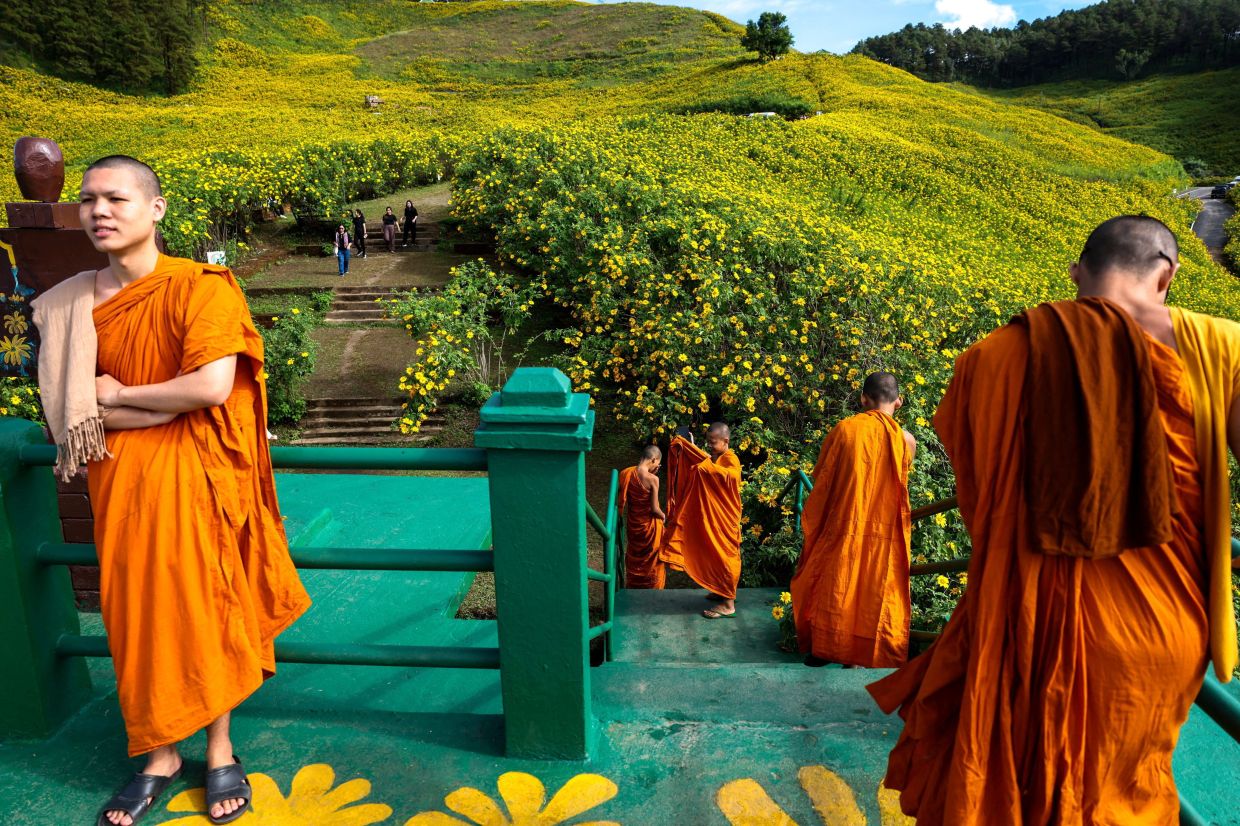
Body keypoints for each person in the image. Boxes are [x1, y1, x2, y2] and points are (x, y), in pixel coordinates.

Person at [868, 215, 1240, 825]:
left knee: (1016, 789)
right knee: (1126, 794)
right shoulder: (1222, 346)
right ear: (1168, 275)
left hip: (1024, 621)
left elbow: (980, 498)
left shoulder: (993, 358)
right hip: (1160, 630)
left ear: (1076, 274)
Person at [32, 155, 311, 826]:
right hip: (120, 481)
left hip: (196, 480)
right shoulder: (70, 302)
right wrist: (156, 406)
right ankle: (158, 756)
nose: (98, 211)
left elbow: (211, 389)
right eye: (88, 200)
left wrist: (120, 397)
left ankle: (219, 751)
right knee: (133, 614)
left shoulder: (202, 289)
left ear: (155, 209)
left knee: (202, 608)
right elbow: (68, 414)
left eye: (116, 198)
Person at [791, 372, 916, 668]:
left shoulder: (845, 430)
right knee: (873, 586)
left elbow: (823, 480)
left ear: (863, 399)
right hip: (884, 530)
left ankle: (829, 646)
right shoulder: (906, 440)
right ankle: (859, 654)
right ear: (899, 401)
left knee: (838, 583)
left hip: (845, 523)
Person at [660, 423, 743, 617]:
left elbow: (729, 476)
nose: (710, 447)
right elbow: (705, 465)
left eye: (712, 443)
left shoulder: (731, 459)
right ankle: (720, 590)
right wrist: (691, 447)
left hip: (725, 519)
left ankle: (729, 604)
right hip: (716, 516)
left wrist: (704, 464)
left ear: (726, 441)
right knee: (713, 552)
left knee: (725, 556)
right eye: (708, 443)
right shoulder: (717, 457)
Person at [617, 444, 667, 589]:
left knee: (636, 558)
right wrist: (664, 516)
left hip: (634, 526)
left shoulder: (625, 473)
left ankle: (633, 587)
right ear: (653, 460)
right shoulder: (653, 480)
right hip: (649, 529)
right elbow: (655, 509)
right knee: (652, 563)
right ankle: (653, 590)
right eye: (658, 463)